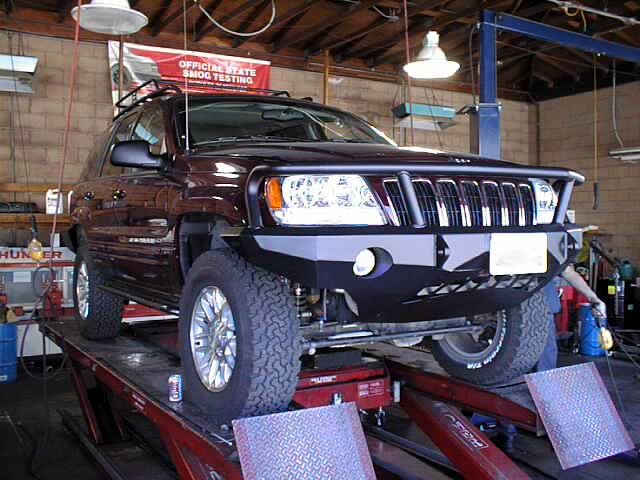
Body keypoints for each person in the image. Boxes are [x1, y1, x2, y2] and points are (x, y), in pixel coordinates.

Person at [474, 264, 607, 453]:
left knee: (511, 376)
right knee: (542, 376)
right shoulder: (549, 246)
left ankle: (510, 435)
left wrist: (594, 298)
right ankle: (554, 436)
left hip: (513, 314)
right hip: (533, 315)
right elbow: (568, 271)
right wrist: (593, 298)